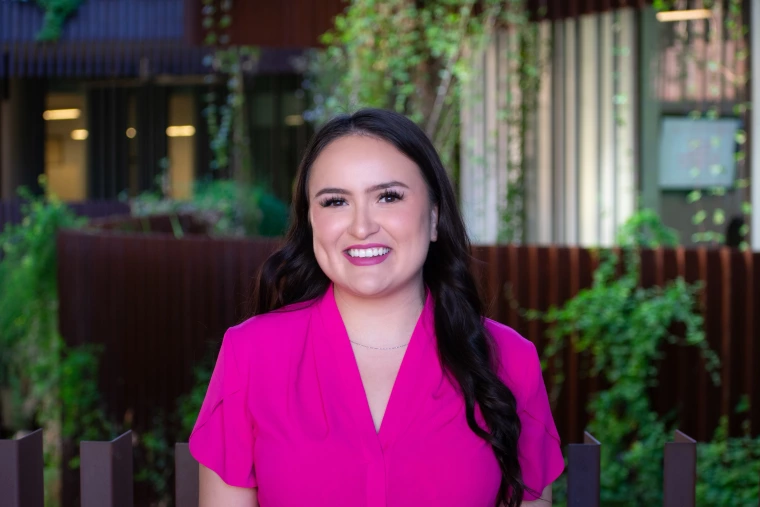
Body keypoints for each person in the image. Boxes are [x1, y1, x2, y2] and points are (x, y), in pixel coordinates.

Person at [189, 109, 564, 507]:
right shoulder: (250, 355)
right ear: (311, 222)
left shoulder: (510, 359)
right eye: (335, 201)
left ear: (434, 217)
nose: (361, 226)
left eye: (388, 196)